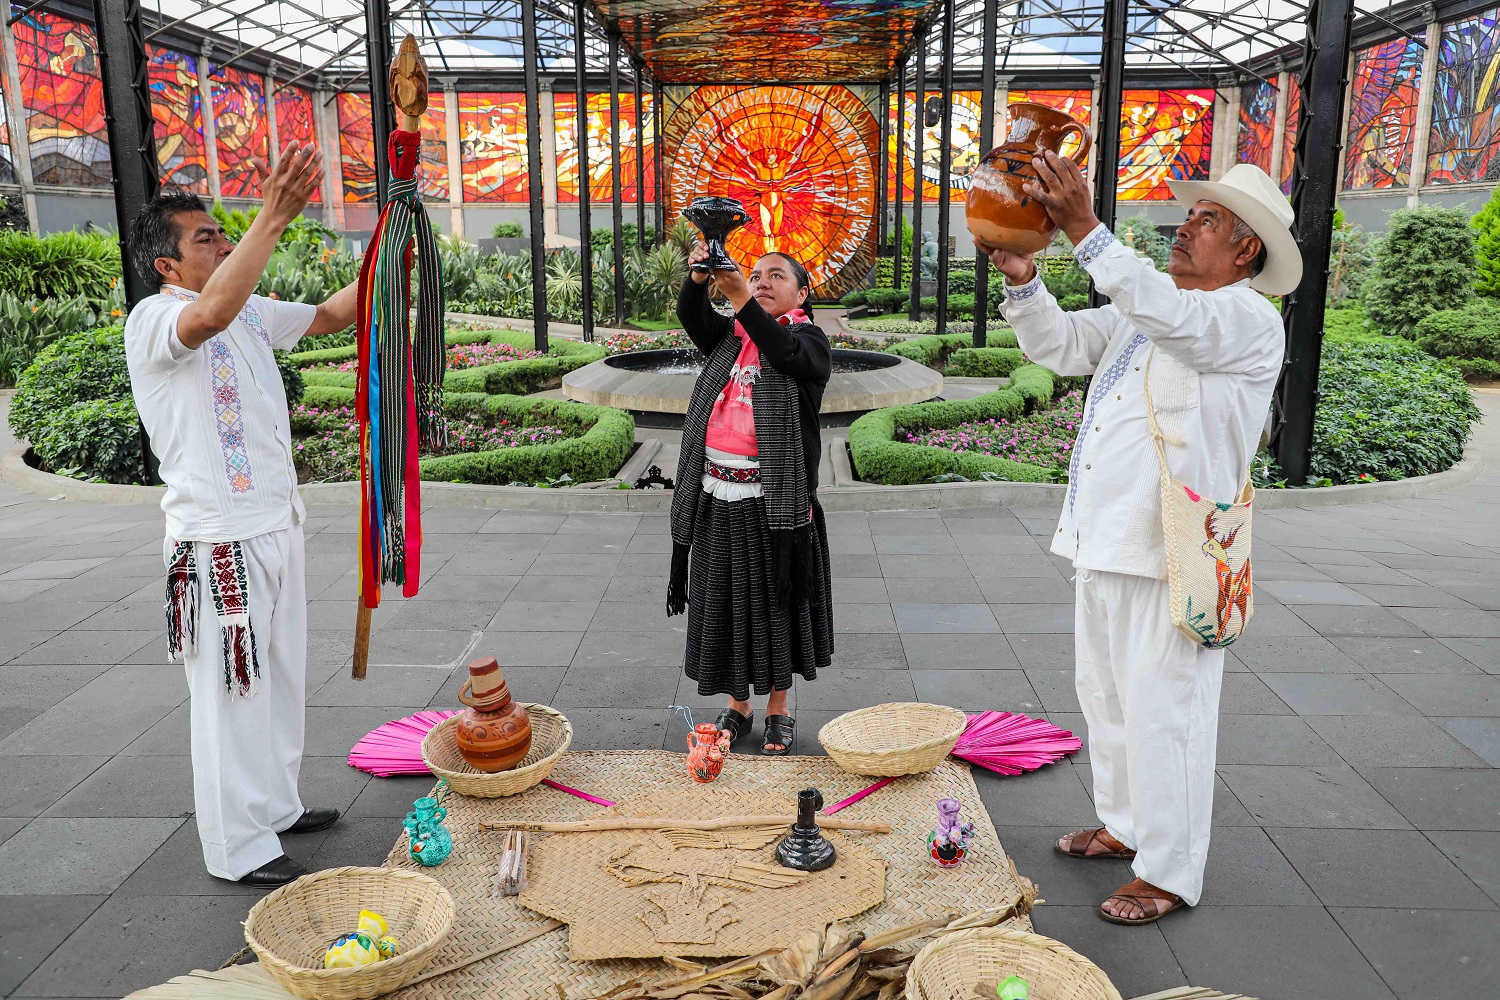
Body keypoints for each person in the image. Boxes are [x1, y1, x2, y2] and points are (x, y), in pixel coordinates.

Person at [979, 159, 1301, 925]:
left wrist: (1089, 232)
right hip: (1105, 539)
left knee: (1168, 713)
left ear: (1247, 252)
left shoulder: (1246, 318)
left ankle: (1169, 870)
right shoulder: (1147, 310)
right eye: (1190, 216)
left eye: (1209, 221)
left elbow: (1177, 321)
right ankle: (1125, 826)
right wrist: (1024, 277)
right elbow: (1058, 346)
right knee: (1110, 698)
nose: (1185, 227)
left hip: (1175, 552)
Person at [124, 143, 360, 888]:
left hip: (276, 523)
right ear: (167, 265)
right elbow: (210, 314)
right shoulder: (154, 322)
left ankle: (275, 807)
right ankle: (239, 848)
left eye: (223, 234)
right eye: (205, 238)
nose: (223, 243)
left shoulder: (250, 307)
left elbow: (327, 316)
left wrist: (396, 244)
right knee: (232, 696)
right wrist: (274, 216)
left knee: (281, 680)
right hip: (217, 539)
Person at [667, 245, 834, 755]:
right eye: (756, 274)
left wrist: (740, 294)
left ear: (802, 292)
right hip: (717, 496)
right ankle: (738, 704)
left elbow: (779, 347)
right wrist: (698, 279)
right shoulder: (728, 338)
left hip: (775, 507)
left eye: (777, 276)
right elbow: (691, 317)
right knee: (728, 604)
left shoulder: (809, 343)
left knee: (775, 606)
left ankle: (779, 707)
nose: (762, 280)